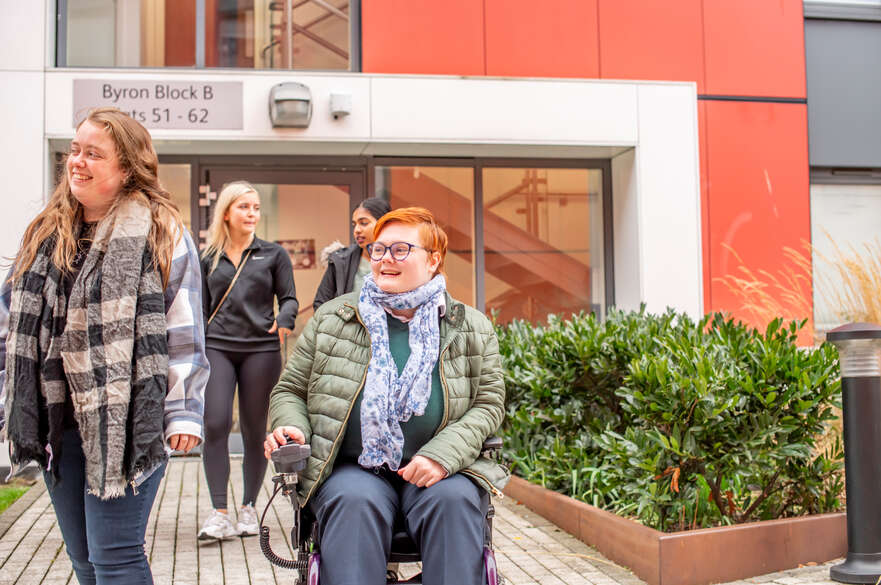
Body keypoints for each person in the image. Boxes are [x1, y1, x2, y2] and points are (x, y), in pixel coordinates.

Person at [0, 107, 208, 585]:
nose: (77, 161)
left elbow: (184, 333)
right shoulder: (45, 233)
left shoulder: (161, 231)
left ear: (128, 168)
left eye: (93, 154)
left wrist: (183, 412)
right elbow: (10, 327)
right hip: (59, 420)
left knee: (115, 556)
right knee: (83, 558)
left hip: (129, 419)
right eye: (75, 150)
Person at [264, 207, 509, 585]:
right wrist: (291, 426)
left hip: (442, 470)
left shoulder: (469, 326)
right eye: (379, 250)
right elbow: (291, 390)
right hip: (355, 470)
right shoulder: (333, 319)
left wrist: (442, 456)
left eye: (400, 250)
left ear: (433, 259)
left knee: (455, 501)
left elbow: (488, 403)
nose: (384, 260)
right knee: (353, 503)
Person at [198, 181, 299, 540]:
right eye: (244, 207)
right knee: (215, 423)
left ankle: (248, 508)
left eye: (256, 208)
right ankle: (219, 511)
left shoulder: (273, 254)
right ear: (226, 212)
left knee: (255, 431)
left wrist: (285, 319)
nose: (252, 214)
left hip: (261, 348)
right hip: (218, 346)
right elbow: (198, 307)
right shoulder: (207, 257)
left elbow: (289, 298)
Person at [312, 196, 392, 310]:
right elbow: (321, 304)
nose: (357, 230)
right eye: (354, 224)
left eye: (364, 223)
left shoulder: (402, 259)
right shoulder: (340, 260)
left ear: (384, 223)